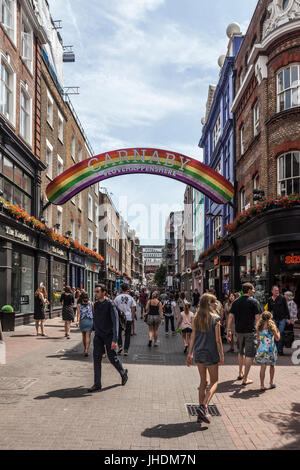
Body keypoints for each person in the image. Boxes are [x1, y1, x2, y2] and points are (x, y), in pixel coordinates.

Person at [187, 293, 224, 424]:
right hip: (211, 352)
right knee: (215, 382)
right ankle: (203, 407)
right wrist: (221, 354)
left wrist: (190, 354)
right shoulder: (216, 318)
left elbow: (192, 337)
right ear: (209, 304)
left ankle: (201, 414)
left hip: (198, 352)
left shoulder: (196, 318)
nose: (216, 304)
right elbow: (218, 339)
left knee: (203, 382)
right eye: (214, 302)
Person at [88, 284, 128, 393]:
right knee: (96, 359)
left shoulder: (110, 304)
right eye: (95, 291)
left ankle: (123, 373)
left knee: (112, 358)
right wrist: (94, 331)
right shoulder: (95, 304)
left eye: (97, 291)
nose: (95, 294)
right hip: (98, 336)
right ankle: (97, 384)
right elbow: (96, 319)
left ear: (104, 292)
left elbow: (115, 323)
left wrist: (115, 340)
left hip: (109, 336)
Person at [227, 283, 262, 385]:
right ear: (249, 290)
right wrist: (259, 333)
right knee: (249, 355)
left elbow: (230, 316)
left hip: (239, 331)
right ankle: (245, 378)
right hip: (250, 331)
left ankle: (240, 372)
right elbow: (258, 319)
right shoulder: (254, 302)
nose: (254, 291)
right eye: (253, 289)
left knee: (240, 352)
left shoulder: (236, 302)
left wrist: (228, 330)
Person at [254, 311, 280, 391]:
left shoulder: (260, 327)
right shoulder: (272, 326)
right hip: (271, 348)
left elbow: (258, 339)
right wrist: (278, 332)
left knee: (263, 366)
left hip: (262, 348)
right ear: (270, 317)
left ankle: (262, 385)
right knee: (272, 365)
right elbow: (277, 338)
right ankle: (271, 383)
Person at [267, 286, 290, 356]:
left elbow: (286, 308)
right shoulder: (270, 299)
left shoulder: (282, 298)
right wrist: (268, 318)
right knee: (274, 334)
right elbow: (269, 310)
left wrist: (288, 318)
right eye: (275, 290)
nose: (277, 291)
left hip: (282, 319)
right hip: (274, 319)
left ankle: (280, 350)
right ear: (272, 291)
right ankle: (275, 349)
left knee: (280, 333)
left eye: (278, 290)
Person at [114, 284, 136, 356]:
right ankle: (126, 350)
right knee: (127, 334)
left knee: (119, 333)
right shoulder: (131, 298)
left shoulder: (117, 298)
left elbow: (114, 308)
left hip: (119, 318)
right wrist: (132, 319)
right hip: (128, 317)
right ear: (127, 290)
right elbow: (133, 309)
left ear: (121, 289)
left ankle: (120, 346)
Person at [76, 291, 94, 356]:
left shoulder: (79, 304)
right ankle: (86, 349)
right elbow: (93, 312)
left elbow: (78, 313)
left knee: (83, 336)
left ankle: (84, 349)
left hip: (82, 321)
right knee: (88, 336)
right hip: (89, 320)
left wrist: (77, 321)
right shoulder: (91, 303)